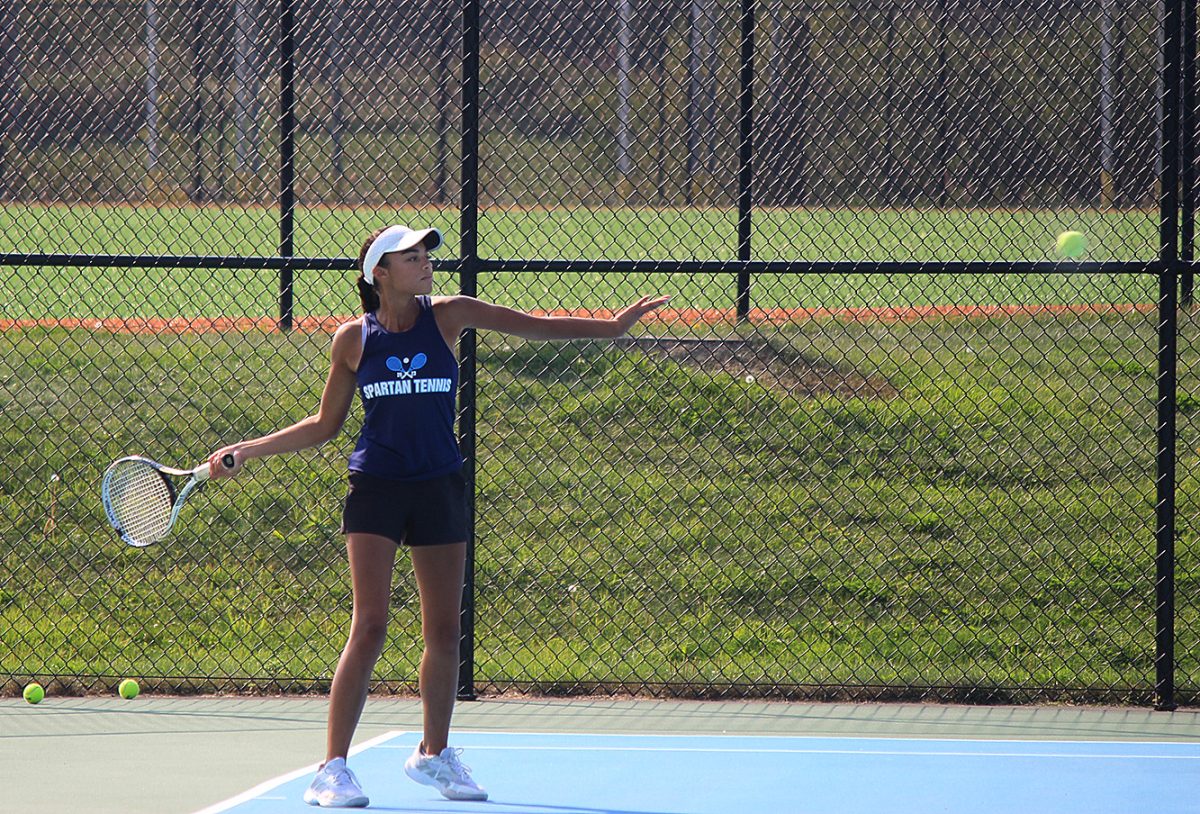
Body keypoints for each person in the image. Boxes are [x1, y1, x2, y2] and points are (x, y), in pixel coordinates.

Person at [207, 224, 668, 808]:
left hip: (438, 486)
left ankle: (434, 756)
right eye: (412, 256)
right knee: (370, 624)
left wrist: (612, 326)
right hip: (375, 487)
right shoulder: (353, 339)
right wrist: (248, 449)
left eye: (427, 254)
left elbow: (535, 326)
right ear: (379, 273)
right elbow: (325, 426)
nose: (425, 263)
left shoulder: (449, 314)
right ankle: (332, 770)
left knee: (444, 630)